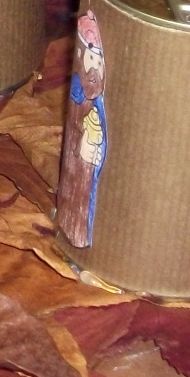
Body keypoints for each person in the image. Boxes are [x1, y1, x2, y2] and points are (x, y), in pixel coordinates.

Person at [56, 12, 108, 248]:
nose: (95, 69)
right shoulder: (80, 92)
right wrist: (84, 143)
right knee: (78, 197)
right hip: (81, 161)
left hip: (90, 161)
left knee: (86, 197)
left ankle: (80, 235)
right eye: (92, 60)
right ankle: (75, 235)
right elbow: (77, 124)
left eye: (99, 63)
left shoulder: (95, 94)